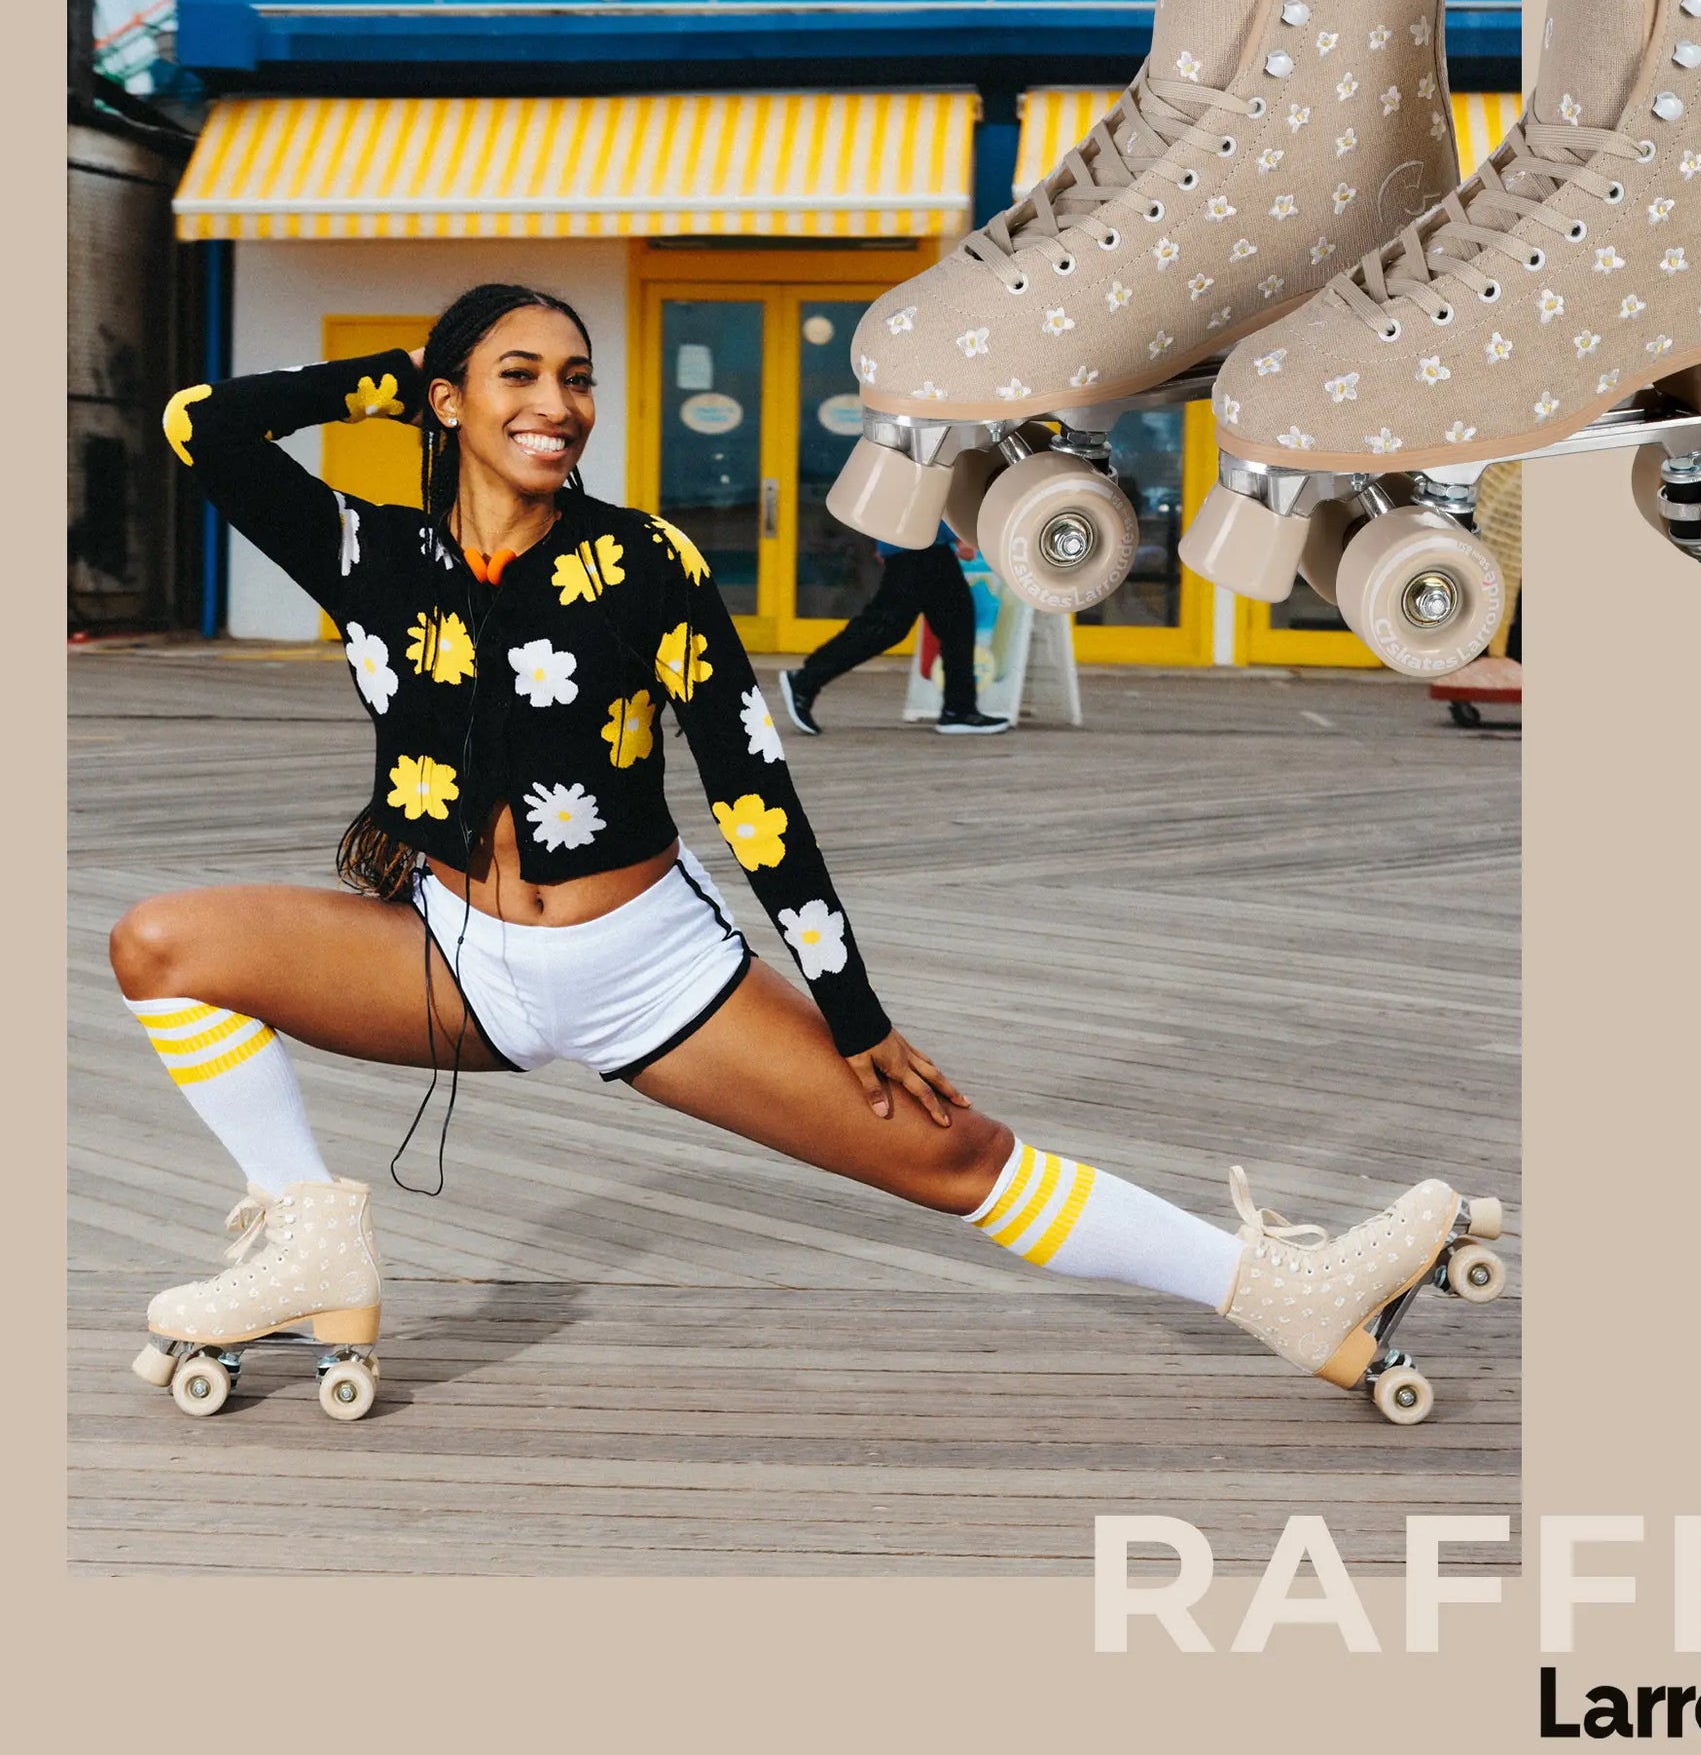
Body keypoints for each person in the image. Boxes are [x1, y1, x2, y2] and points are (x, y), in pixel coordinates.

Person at [117, 282, 1503, 1426]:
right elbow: (205, 423)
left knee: (954, 1154)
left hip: (645, 968)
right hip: (450, 958)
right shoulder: (369, 551)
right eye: (517, 375)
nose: (556, 403)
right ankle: (310, 1231)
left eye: (577, 377)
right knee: (160, 947)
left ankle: (1277, 1290)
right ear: (448, 399)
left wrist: (854, 1010)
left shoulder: (644, 561)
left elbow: (751, 789)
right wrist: (398, 364)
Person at [779, 525, 1009, 738]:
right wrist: (958, 536)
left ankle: (959, 709)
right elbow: (921, 495)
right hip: (915, 542)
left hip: (923, 544)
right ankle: (804, 681)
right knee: (886, 625)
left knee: (955, 619)